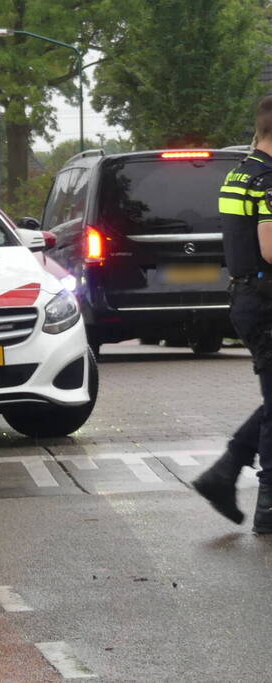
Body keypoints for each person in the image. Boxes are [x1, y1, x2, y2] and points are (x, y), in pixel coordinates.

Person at [194, 95, 272, 532]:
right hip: (266, 302)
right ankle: (266, 507)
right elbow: (270, 248)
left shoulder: (240, 174)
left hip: (248, 297)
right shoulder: (269, 181)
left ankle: (224, 473)